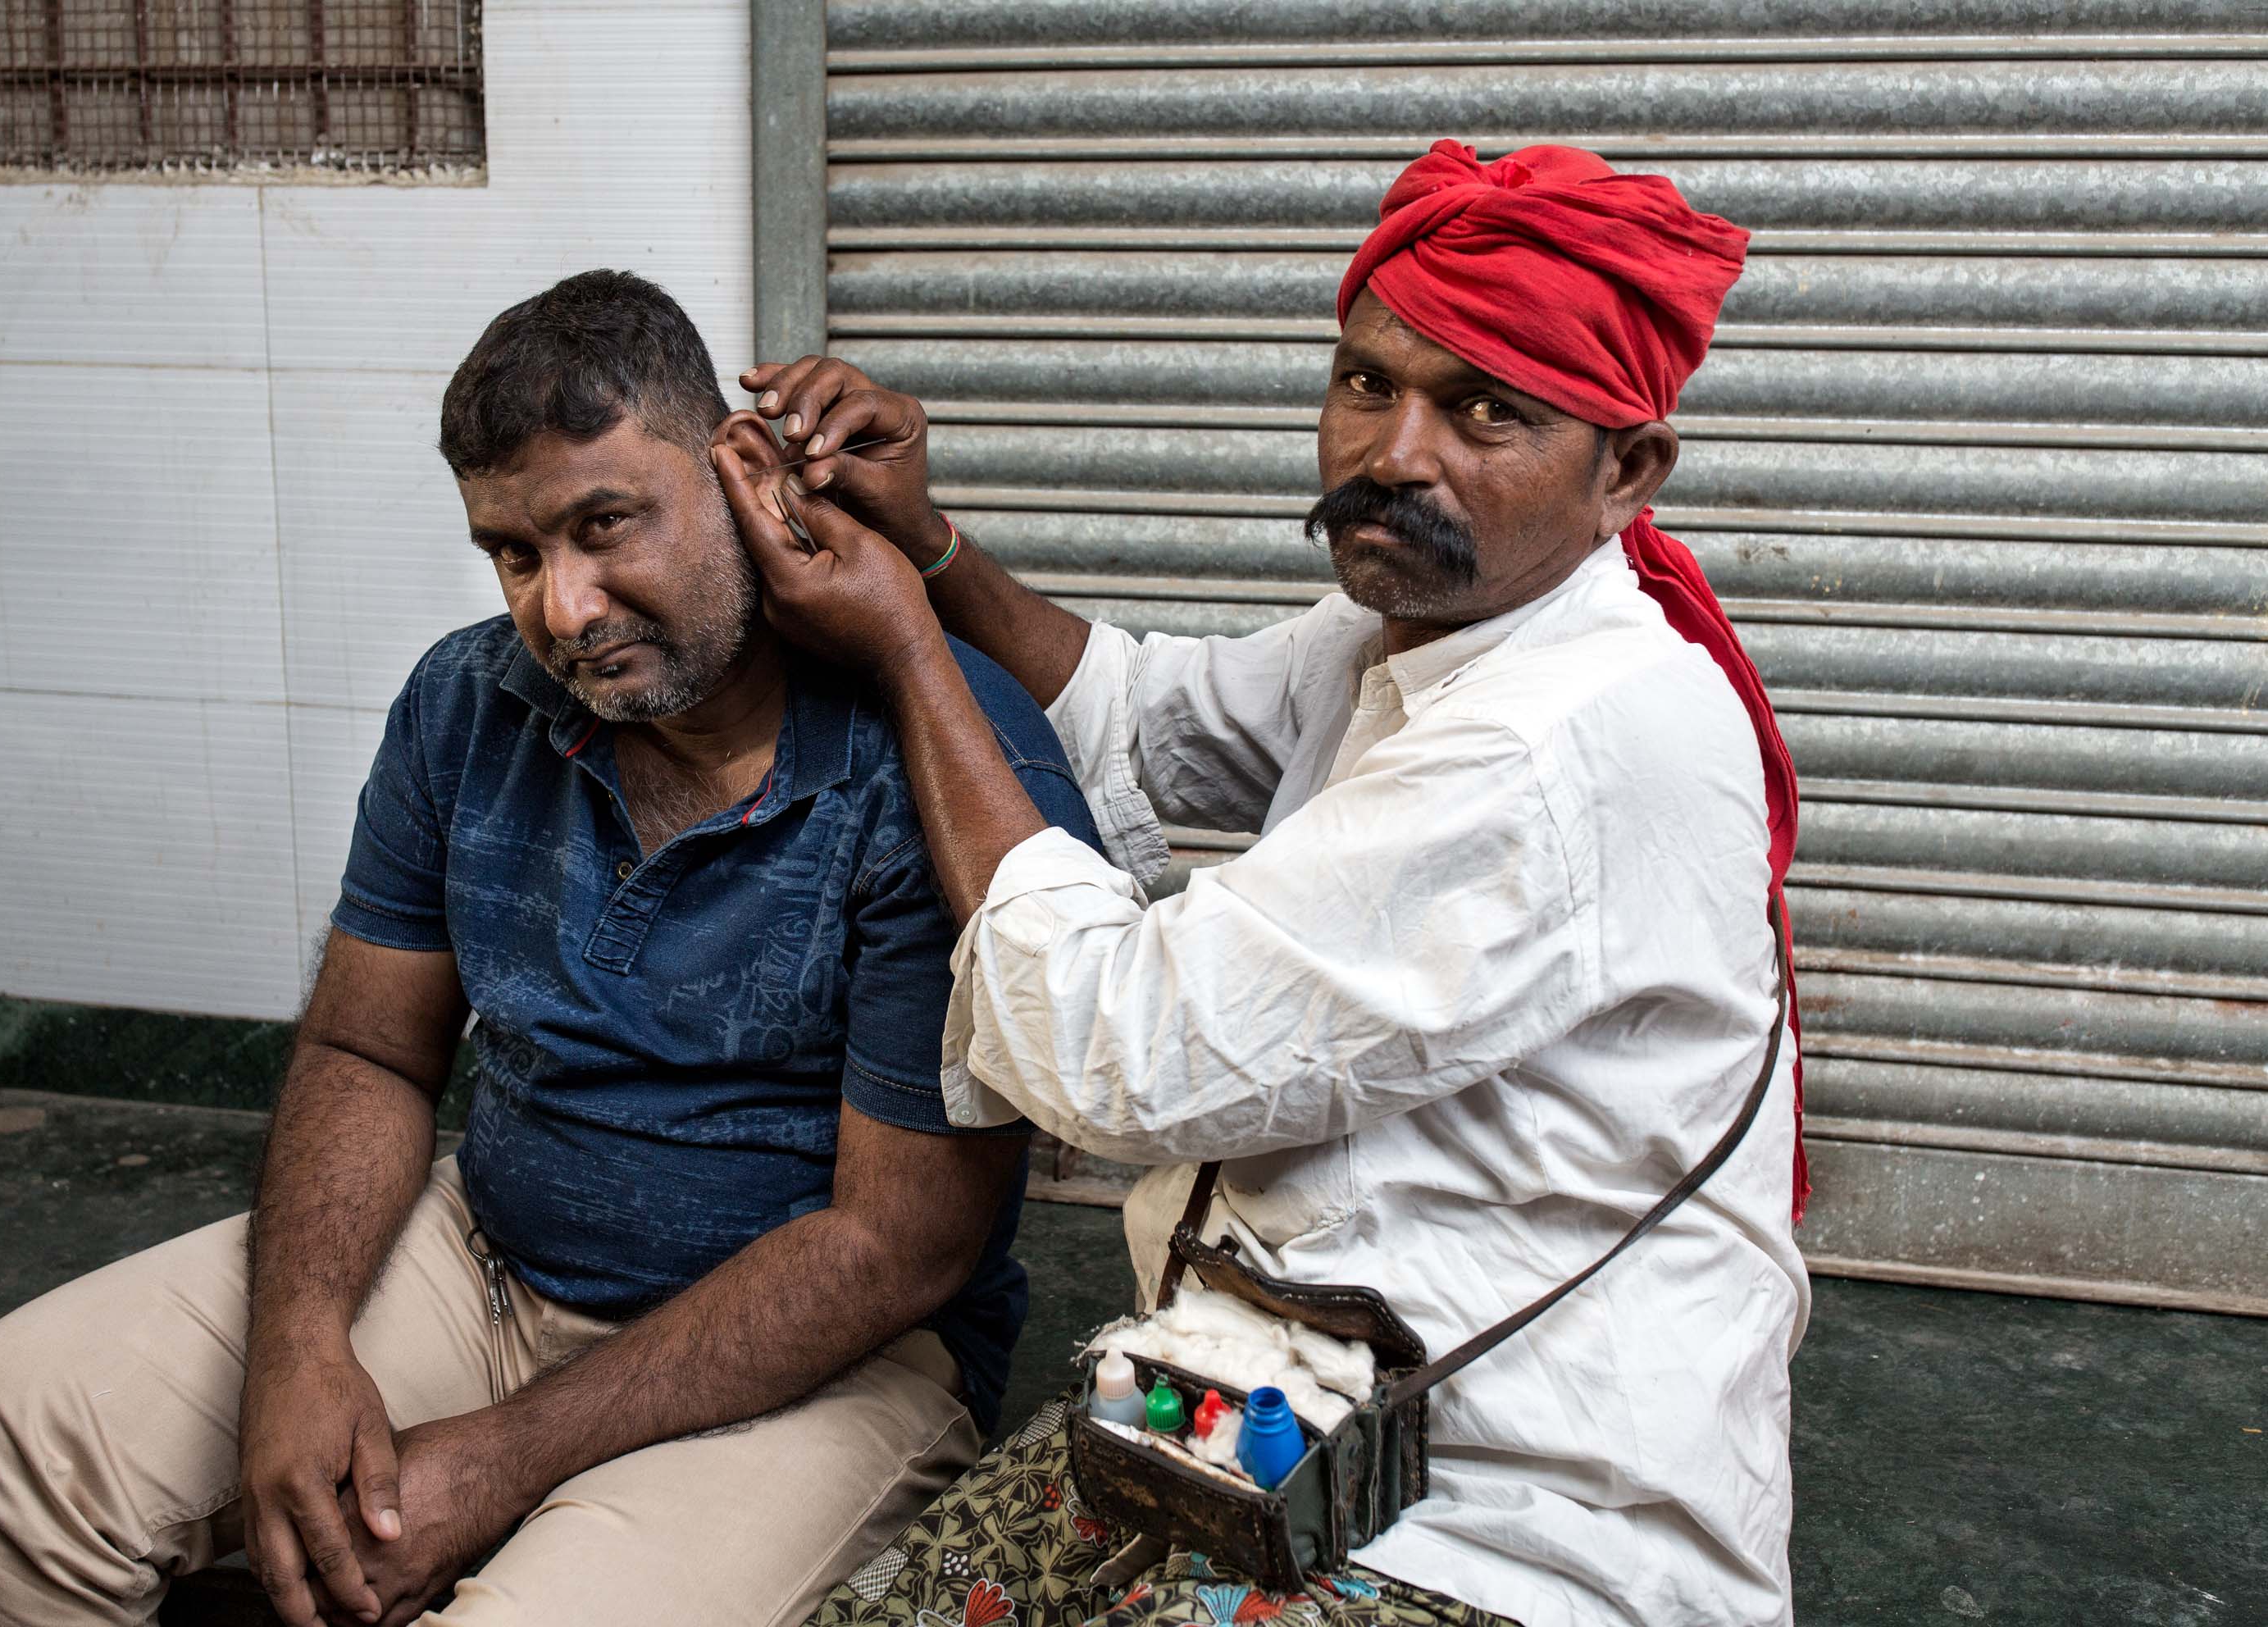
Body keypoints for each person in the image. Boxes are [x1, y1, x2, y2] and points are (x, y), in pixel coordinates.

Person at [0, 269, 1102, 1627]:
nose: (565, 608)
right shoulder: (470, 702)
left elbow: (898, 1246)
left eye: (605, 526)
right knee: (3, 1437)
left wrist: (504, 1456)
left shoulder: (941, 762)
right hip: (486, 1253)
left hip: (831, 1367)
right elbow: (367, 1046)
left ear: (742, 469)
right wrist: (299, 1350)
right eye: (516, 554)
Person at [709, 142, 1807, 1627]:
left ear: (1628, 472)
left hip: (1499, 1522)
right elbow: (1145, 717)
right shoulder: (1414, 634)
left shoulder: (1553, 745)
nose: (1396, 453)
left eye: (1485, 409)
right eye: (1369, 384)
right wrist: (932, 545)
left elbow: (1120, 1053)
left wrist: (905, 645)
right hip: (1259, 1408)